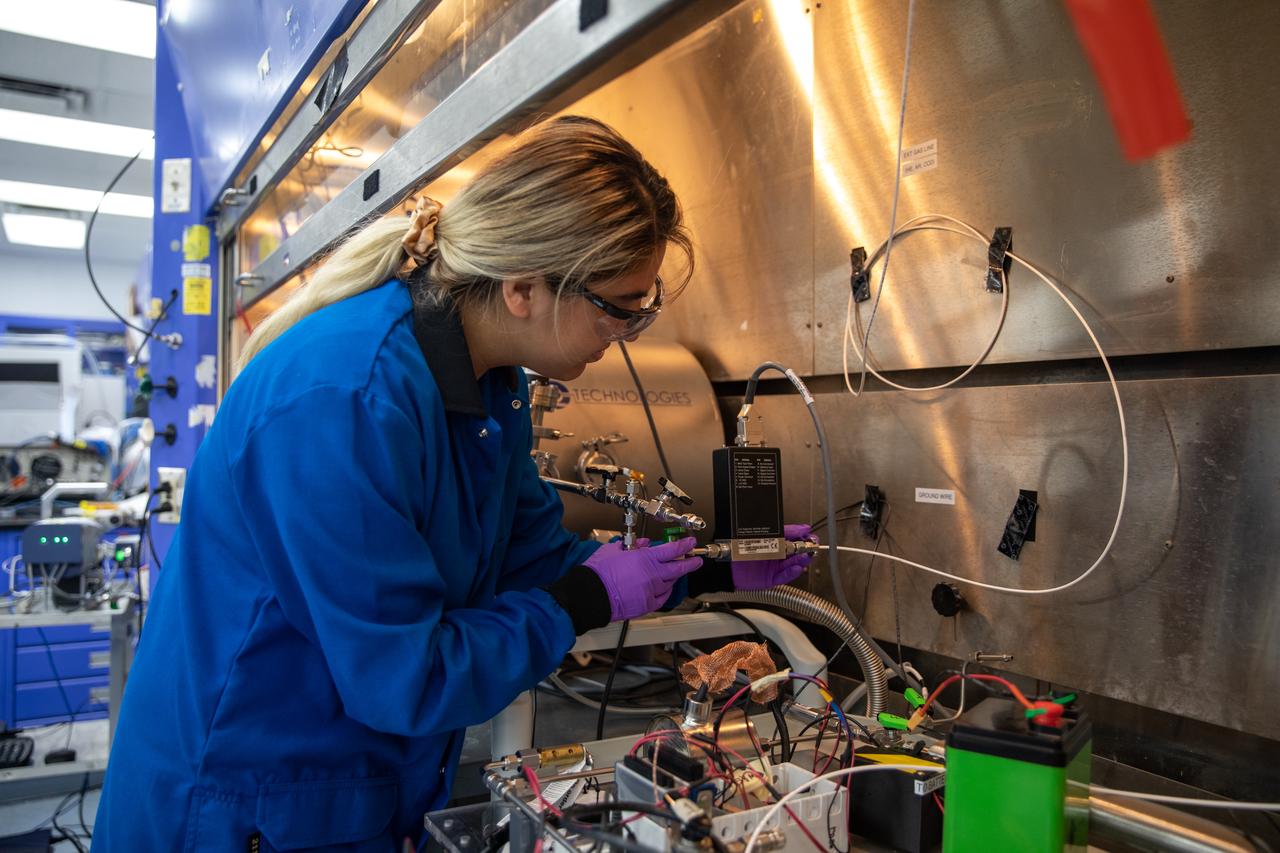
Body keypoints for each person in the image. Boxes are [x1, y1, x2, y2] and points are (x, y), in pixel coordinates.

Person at [92, 116, 814, 851]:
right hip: (237, 808)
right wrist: (586, 598)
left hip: (340, 795)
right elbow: (404, 676)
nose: (628, 330)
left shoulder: (486, 391)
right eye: (619, 306)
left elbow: (532, 558)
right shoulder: (345, 401)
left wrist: (711, 566)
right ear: (526, 287)